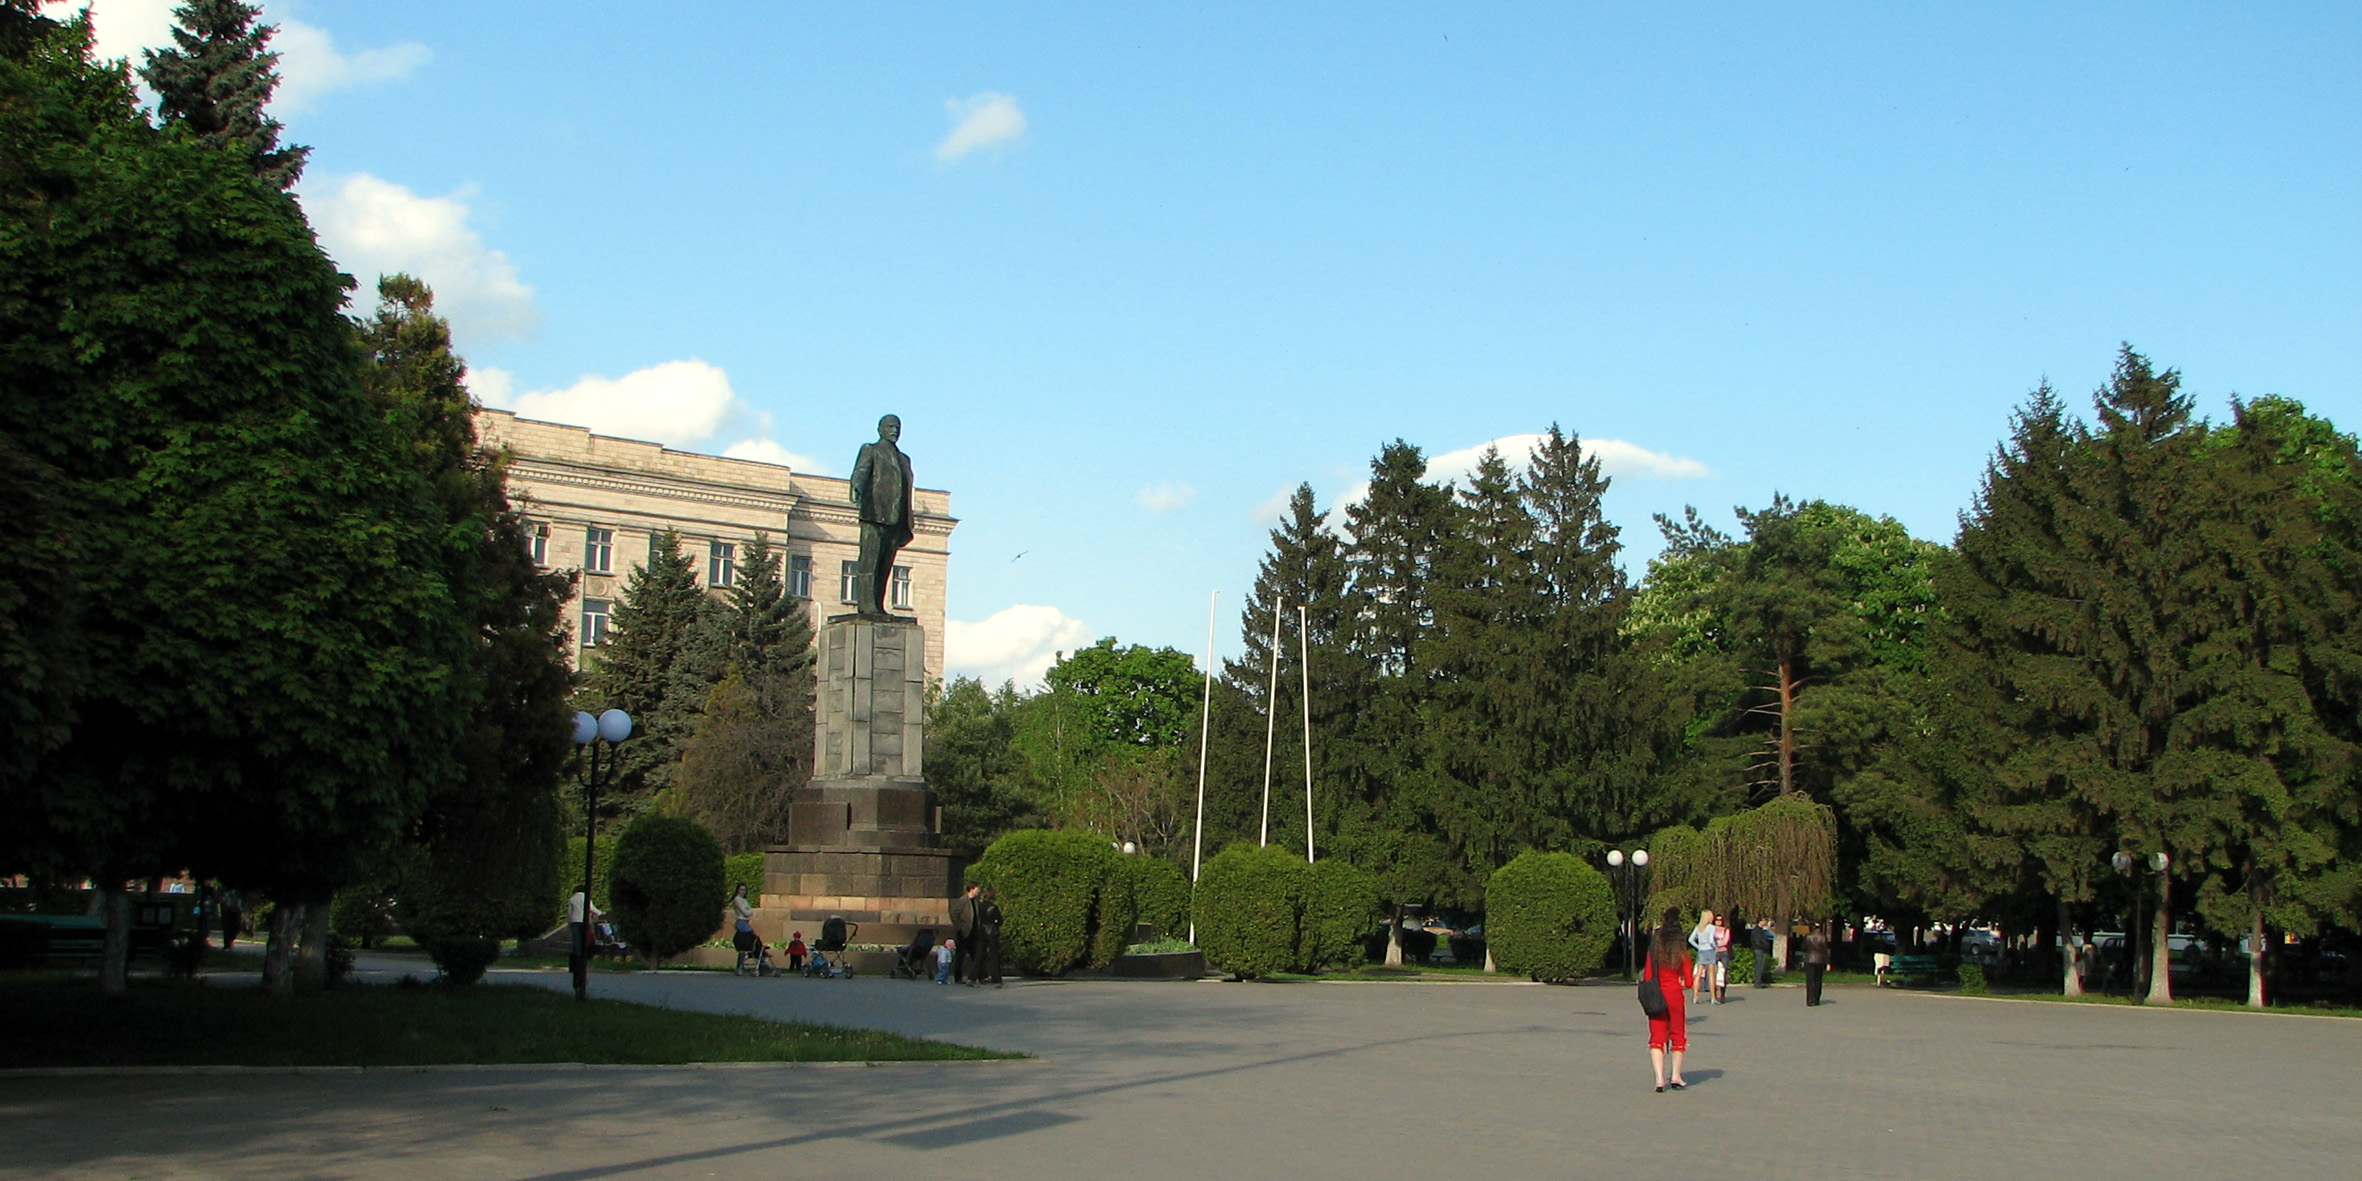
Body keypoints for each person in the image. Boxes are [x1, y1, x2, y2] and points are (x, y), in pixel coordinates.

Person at [848, 414, 915, 619]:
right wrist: (857, 488)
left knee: (885, 564)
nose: (894, 430)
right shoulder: (871, 450)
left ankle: (878, 604)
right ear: (880, 429)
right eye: (890, 427)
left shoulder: (904, 459)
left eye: (897, 427)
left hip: (896, 519)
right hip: (874, 514)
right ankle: (866, 605)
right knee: (870, 561)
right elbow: (860, 472)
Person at [1643, 908, 1694, 1092]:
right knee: (1677, 1034)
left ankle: (1659, 1079)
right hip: (1674, 995)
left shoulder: (1654, 953)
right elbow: (1689, 982)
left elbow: (1648, 975)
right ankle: (1675, 1076)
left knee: (1657, 1035)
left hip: (1657, 995)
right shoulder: (1682, 955)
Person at [969, 886, 1004, 987]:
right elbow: (999, 920)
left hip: (981, 931)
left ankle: (972, 977)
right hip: (992, 932)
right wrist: (996, 922)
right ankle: (996, 979)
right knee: (994, 956)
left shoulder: (979, 906)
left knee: (979, 955)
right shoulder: (993, 907)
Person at [949, 883, 981, 983]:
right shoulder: (962, 901)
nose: (979, 891)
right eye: (977, 889)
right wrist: (960, 926)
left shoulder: (976, 901)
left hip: (974, 932)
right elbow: (953, 913)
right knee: (960, 956)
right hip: (964, 932)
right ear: (971, 889)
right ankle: (958, 977)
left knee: (975, 955)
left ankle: (977, 976)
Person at [1688, 909, 1719, 1005]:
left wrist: (1699, 947)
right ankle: (1713, 997)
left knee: (1699, 973)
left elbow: (1690, 939)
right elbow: (1711, 940)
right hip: (1709, 950)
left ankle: (1695, 996)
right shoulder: (1711, 927)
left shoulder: (1698, 927)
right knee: (1711, 974)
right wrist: (1716, 948)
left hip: (1701, 951)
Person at [729, 884, 758, 975]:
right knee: (748, 943)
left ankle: (740, 965)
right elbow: (746, 912)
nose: (743, 891)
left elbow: (749, 911)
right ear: (737, 890)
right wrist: (749, 910)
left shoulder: (744, 900)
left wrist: (749, 911)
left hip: (745, 922)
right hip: (741, 922)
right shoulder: (737, 899)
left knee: (744, 946)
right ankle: (741, 966)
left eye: (744, 890)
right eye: (741, 890)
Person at [1804, 921, 1831, 1006]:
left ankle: (1810, 1000)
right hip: (1820, 960)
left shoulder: (1808, 936)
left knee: (1810, 981)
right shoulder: (1823, 937)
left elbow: (1802, 947)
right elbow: (1825, 950)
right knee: (1818, 980)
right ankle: (1816, 999)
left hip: (1809, 959)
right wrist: (1828, 963)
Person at [1712, 913, 1734, 1002]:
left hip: (1723, 952)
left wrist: (1717, 944)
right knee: (1714, 973)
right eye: (1717, 920)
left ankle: (1722, 994)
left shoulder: (1726, 930)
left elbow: (1725, 941)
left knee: (1724, 973)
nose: (1719, 921)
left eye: (1720, 920)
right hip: (1714, 953)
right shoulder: (1712, 930)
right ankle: (1714, 995)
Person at [1750, 918, 1776, 988]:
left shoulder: (1760, 930)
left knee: (1760, 966)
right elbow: (1758, 941)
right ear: (1760, 921)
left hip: (1759, 949)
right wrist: (1764, 946)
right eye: (1764, 921)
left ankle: (1758, 982)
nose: (1765, 922)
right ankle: (1757, 983)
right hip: (1759, 950)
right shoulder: (1757, 931)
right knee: (1759, 966)